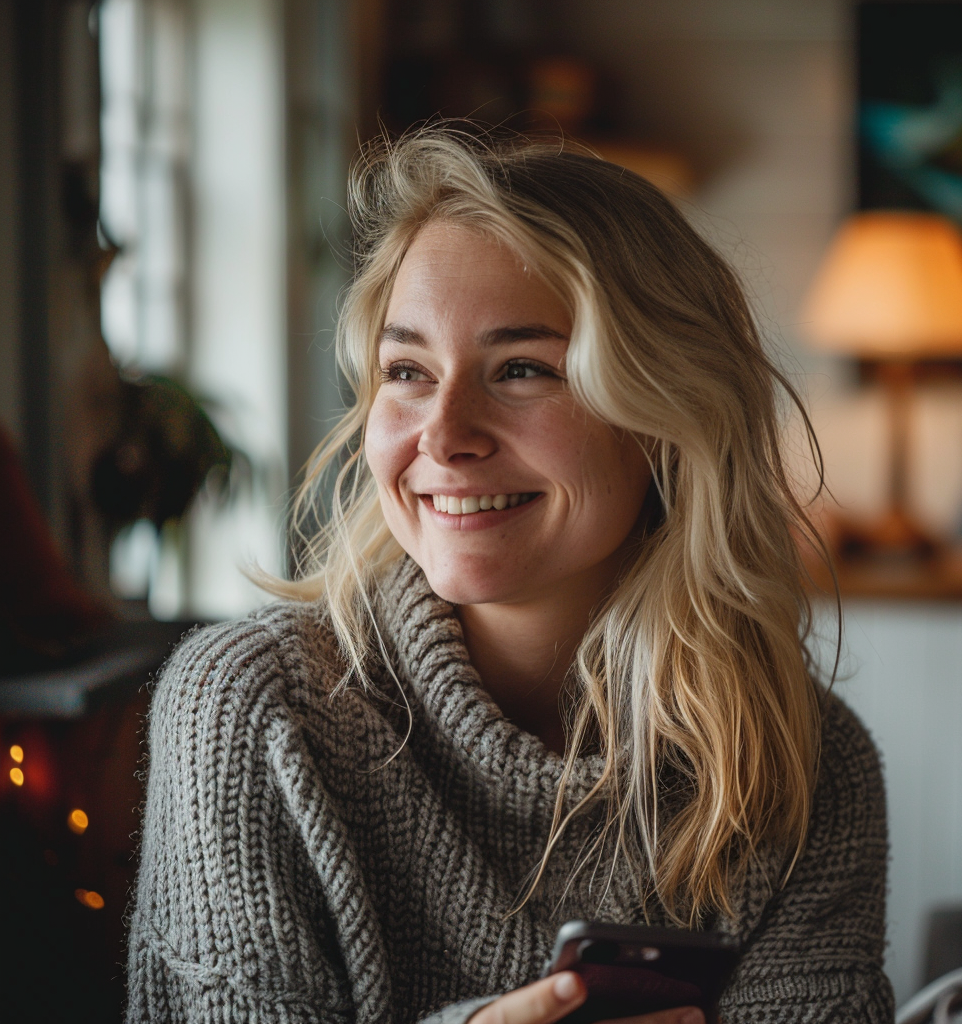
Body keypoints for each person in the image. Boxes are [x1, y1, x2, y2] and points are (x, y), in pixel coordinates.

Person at [126, 128, 894, 1024]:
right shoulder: (252, 711)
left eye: (523, 369)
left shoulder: (800, 764)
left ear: (664, 415)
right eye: (406, 371)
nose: (445, 434)